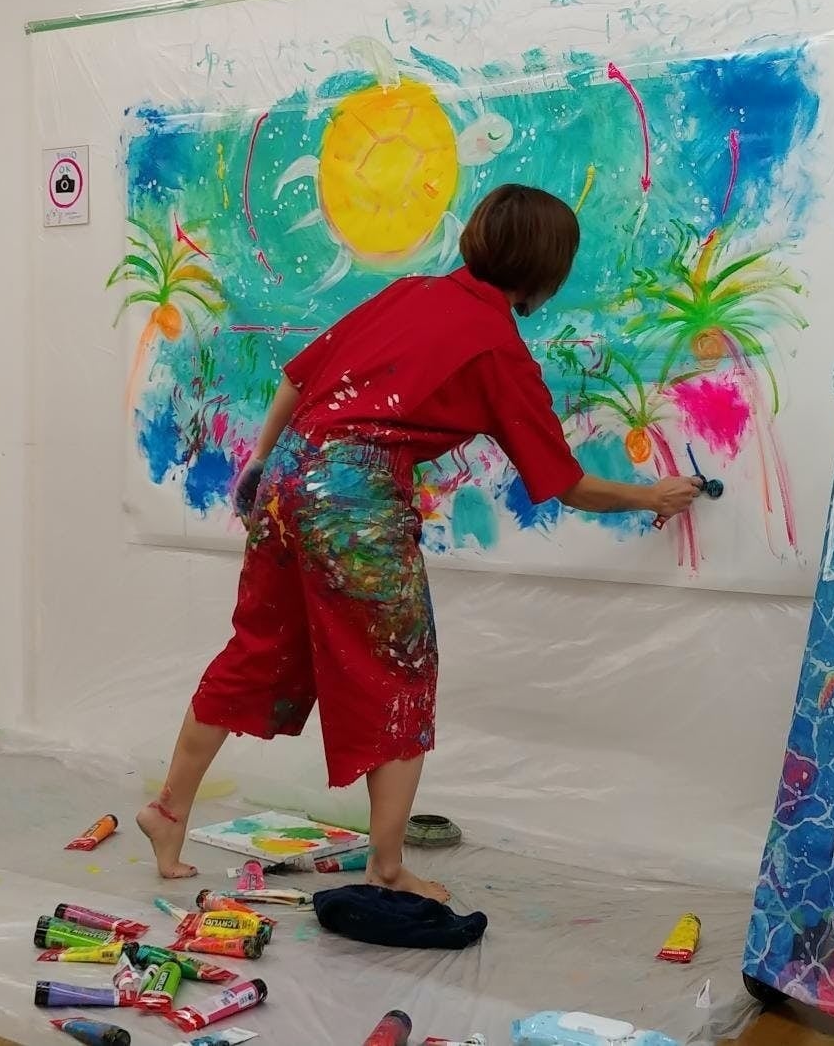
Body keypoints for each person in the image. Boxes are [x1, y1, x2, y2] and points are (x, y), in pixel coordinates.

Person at [137, 183, 700, 894]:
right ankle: (387, 865)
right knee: (399, 669)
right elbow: (566, 484)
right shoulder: (496, 348)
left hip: (288, 471)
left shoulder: (410, 292)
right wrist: (652, 496)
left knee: (258, 646)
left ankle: (168, 809)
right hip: (353, 495)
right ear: (546, 269)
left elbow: (295, 380)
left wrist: (262, 465)